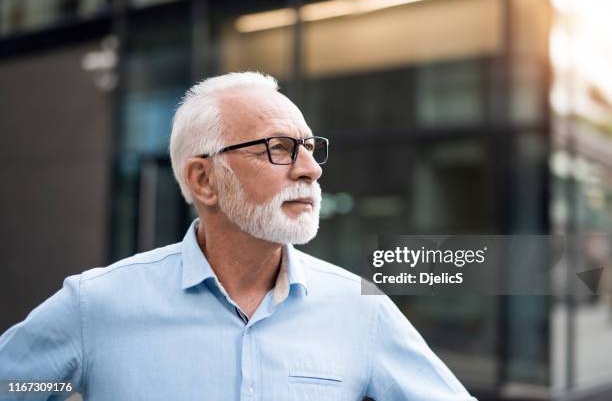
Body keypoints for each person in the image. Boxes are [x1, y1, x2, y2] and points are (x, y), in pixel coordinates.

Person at [0, 72, 476, 400]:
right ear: (204, 180)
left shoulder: (360, 309)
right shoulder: (95, 306)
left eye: (309, 149)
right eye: (279, 149)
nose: (309, 169)